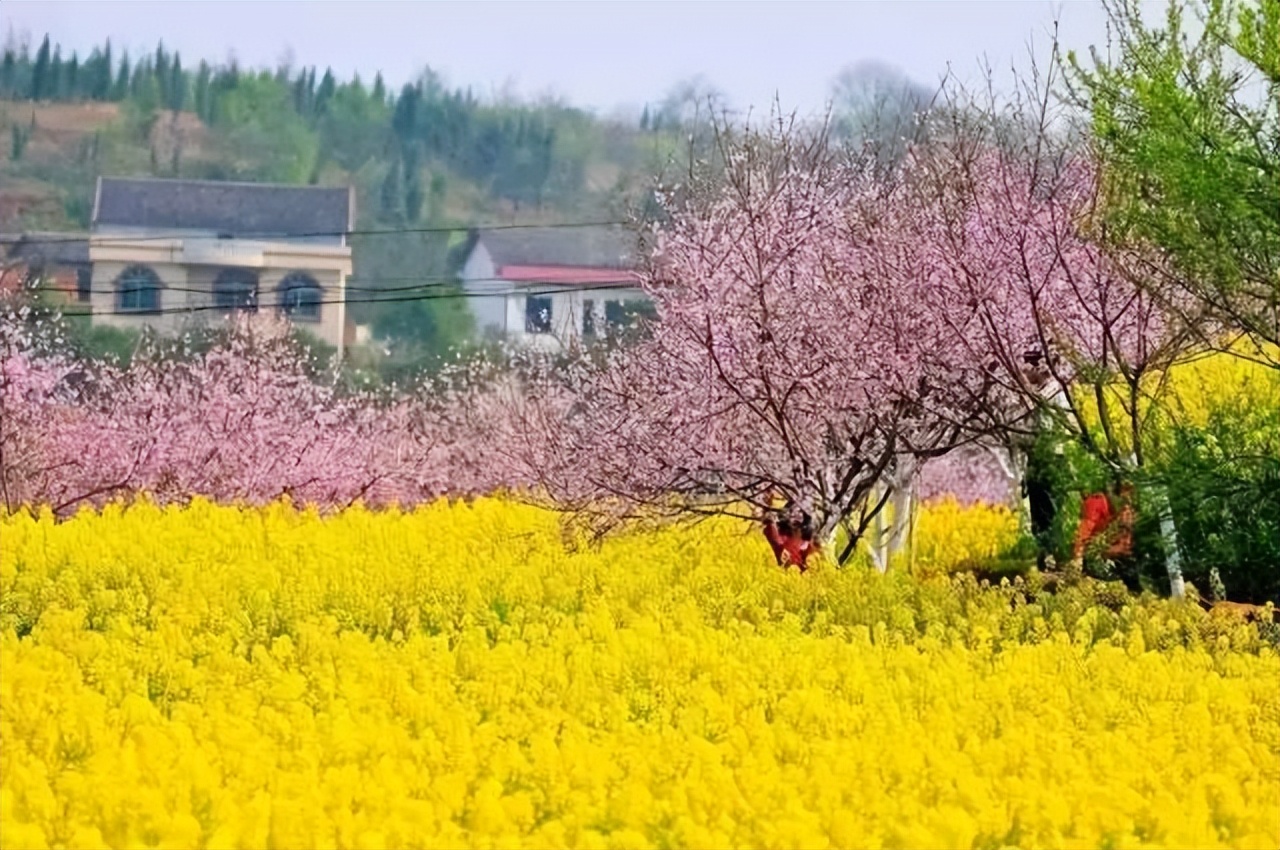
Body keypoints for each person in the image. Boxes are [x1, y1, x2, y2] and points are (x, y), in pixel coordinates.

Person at [762, 500, 820, 573]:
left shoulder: (796, 548)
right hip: (795, 534)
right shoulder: (802, 547)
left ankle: (795, 501)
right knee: (806, 525)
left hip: (791, 533)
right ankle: (796, 501)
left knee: (783, 518)